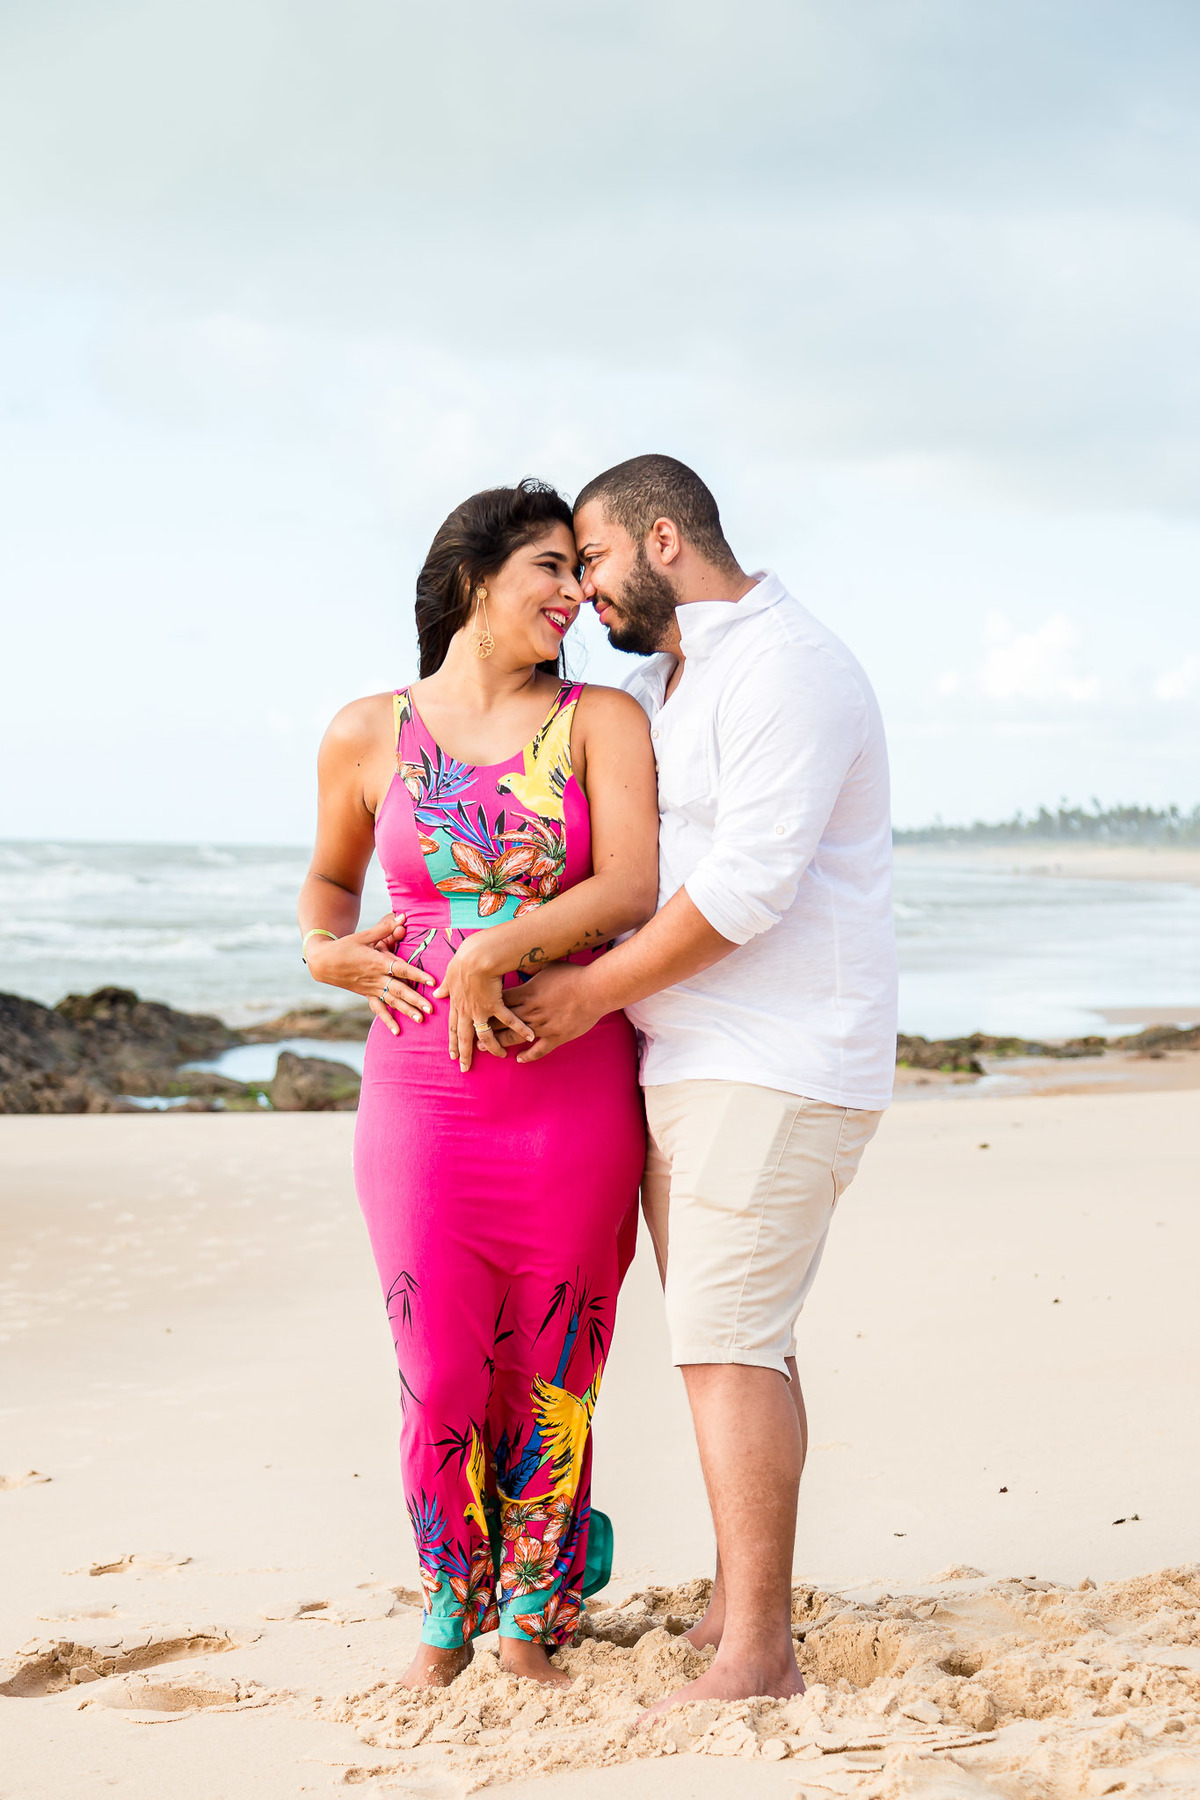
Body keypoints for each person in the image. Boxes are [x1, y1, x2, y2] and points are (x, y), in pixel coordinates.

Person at [502, 454, 897, 1714]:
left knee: (726, 1344)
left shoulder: (790, 669)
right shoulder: (673, 682)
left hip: (774, 1064)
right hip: (701, 1061)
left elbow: (746, 892)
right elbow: (648, 856)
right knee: (737, 1339)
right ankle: (741, 1604)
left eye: (596, 562)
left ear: (662, 540)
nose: (585, 596)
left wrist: (583, 995)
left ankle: (758, 1659)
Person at [297, 478, 658, 1689]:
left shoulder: (600, 720)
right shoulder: (366, 730)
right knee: (442, 1369)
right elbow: (328, 888)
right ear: (473, 579)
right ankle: (447, 1614)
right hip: (418, 1097)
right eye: (550, 569)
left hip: (568, 1085)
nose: (575, 593)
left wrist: (499, 947)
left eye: (578, 569)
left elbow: (630, 893)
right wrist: (323, 952)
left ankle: (530, 1625)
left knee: (555, 1367)